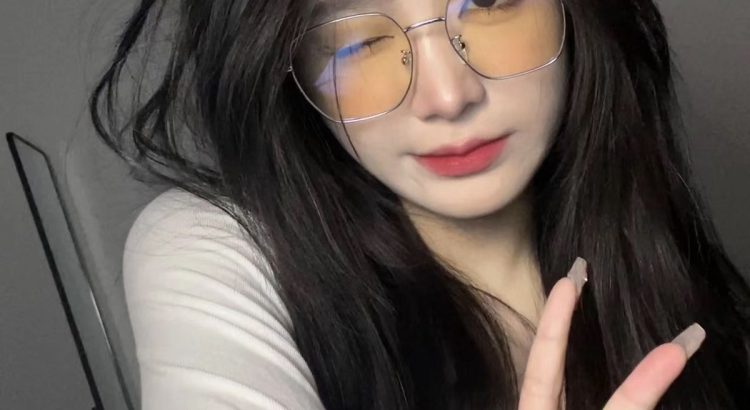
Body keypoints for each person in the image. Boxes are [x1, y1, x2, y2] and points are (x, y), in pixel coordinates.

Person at [89, 0, 750, 408]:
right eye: (359, 43)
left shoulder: (653, 255)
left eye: (489, 3)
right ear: (291, 79)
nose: (446, 95)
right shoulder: (218, 250)